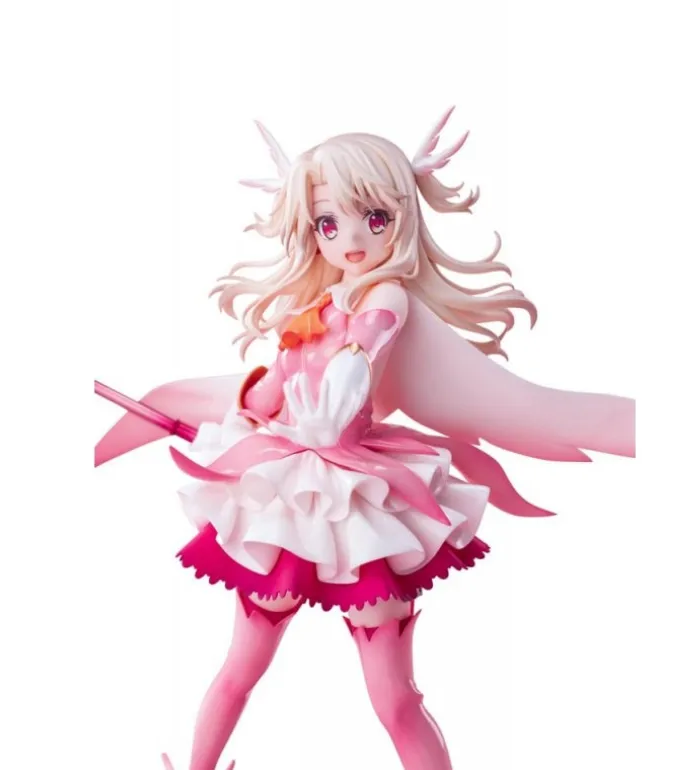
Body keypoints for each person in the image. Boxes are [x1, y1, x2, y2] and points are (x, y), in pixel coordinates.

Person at [95, 107, 635, 770]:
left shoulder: (388, 299)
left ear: (402, 216)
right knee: (242, 667)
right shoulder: (314, 308)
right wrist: (244, 411)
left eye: (374, 218)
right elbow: (269, 396)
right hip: (289, 490)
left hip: (358, 500)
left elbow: (363, 354)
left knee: (392, 698)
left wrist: (333, 401)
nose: (350, 239)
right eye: (329, 223)